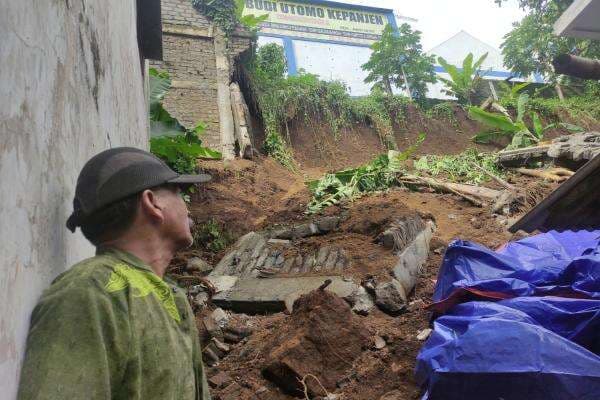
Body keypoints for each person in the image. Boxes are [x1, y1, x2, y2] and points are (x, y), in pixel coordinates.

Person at [17, 147, 212, 400]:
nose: (186, 206)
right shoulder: (88, 294)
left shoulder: (171, 295)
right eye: (177, 192)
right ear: (152, 202)